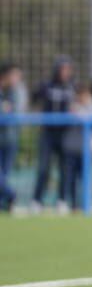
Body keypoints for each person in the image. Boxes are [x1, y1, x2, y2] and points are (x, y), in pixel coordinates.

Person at [30, 57, 75, 208]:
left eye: (68, 69)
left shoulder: (72, 87)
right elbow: (33, 98)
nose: (65, 72)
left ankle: (62, 200)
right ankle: (37, 200)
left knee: (64, 169)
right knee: (43, 168)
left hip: (65, 134)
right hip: (48, 133)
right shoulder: (47, 86)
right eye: (63, 69)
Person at [0, 63, 25, 211]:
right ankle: (11, 195)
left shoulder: (18, 91)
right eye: (14, 75)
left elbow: (17, 110)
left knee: (5, 174)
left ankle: (6, 202)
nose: (16, 79)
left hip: (10, 139)